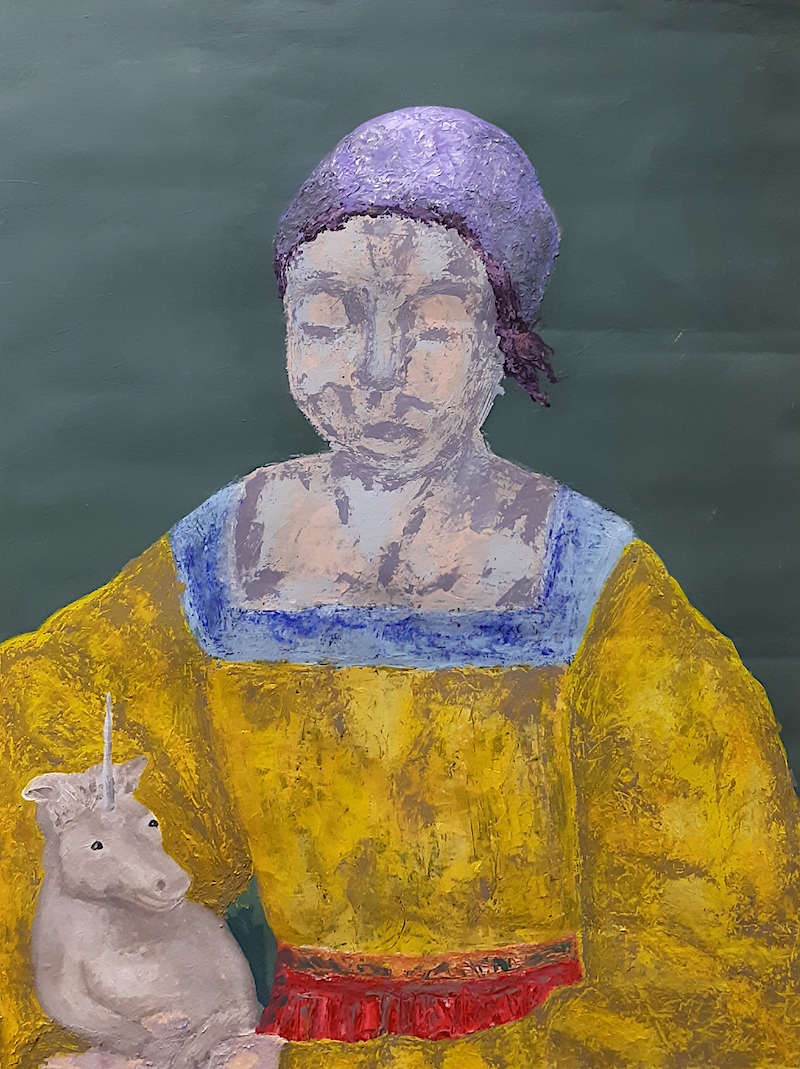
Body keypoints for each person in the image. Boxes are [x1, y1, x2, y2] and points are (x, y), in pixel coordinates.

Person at [2, 106, 798, 1069]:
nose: (378, 369)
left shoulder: (593, 582)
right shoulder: (221, 557)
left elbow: (714, 937)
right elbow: (61, 746)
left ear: (504, 338)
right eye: (330, 318)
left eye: (434, 321)